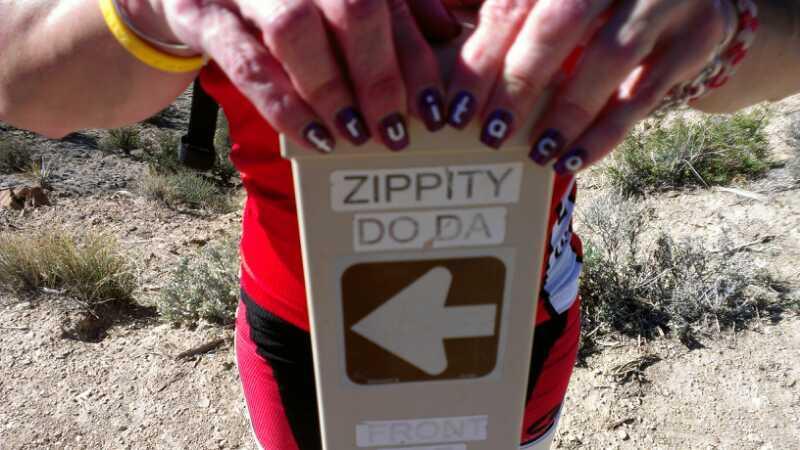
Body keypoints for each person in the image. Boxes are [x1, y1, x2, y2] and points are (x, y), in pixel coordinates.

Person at [1, 1, 799, 449]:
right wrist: (155, 10)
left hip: (519, 323)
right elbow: (18, 71)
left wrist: (718, 27)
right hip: (307, 340)